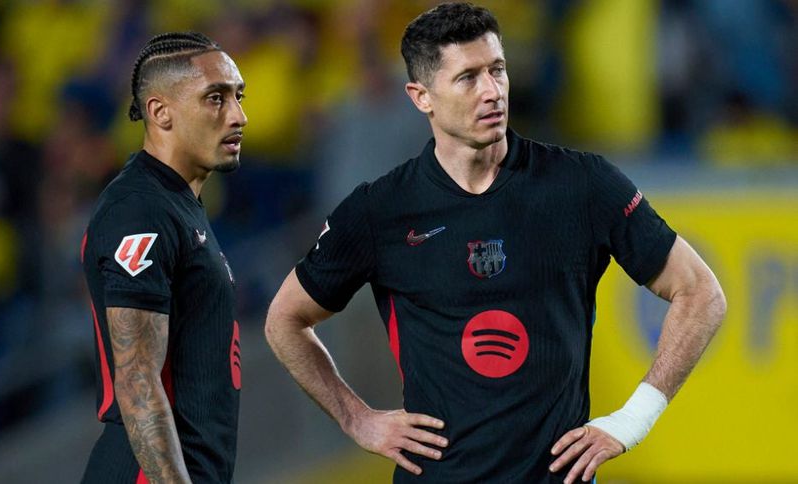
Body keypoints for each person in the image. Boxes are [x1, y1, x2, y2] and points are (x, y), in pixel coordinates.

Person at [264, 3, 725, 484]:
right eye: (468, 78)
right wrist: (356, 419)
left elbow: (700, 292)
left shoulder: (582, 185)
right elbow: (285, 320)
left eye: (497, 70)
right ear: (422, 97)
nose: (492, 91)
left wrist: (634, 418)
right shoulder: (379, 210)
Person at [81, 32, 247, 483]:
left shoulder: (176, 203)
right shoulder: (140, 211)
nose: (238, 115)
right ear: (160, 112)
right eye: (215, 98)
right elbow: (137, 382)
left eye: (238, 96)